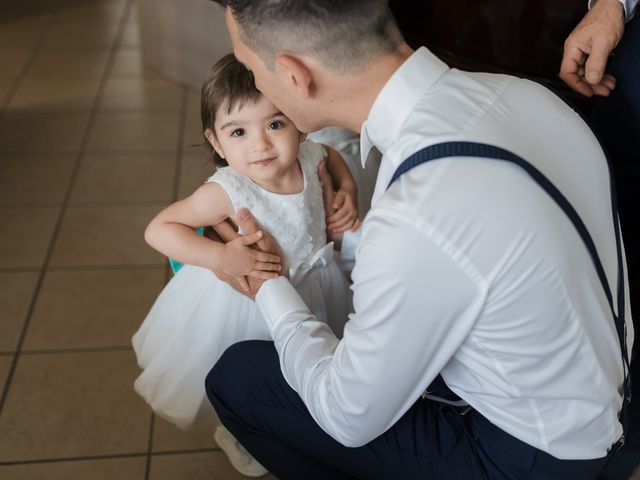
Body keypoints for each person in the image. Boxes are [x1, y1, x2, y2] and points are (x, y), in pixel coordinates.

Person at [204, 1, 635, 479]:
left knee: (238, 380)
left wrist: (266, 283)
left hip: (536, 457)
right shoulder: (528, 96)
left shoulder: (417, 207)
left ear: (293, 74)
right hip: (620, 396)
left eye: (249, 68)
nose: (255, 84)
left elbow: (346, 414)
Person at [131, 54, 358, 477]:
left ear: (300, 122)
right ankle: (238, 428)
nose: (261, 144)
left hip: (316, 283)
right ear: (216, 143)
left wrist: (346, 192)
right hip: (246, 305)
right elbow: (160, 229)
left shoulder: (311, 157)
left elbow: (334, 158)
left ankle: (298, 417)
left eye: (275, 124)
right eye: (238, 131)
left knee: (315, 359)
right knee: (255, 371)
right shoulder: (226, 191)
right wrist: (221, 256)